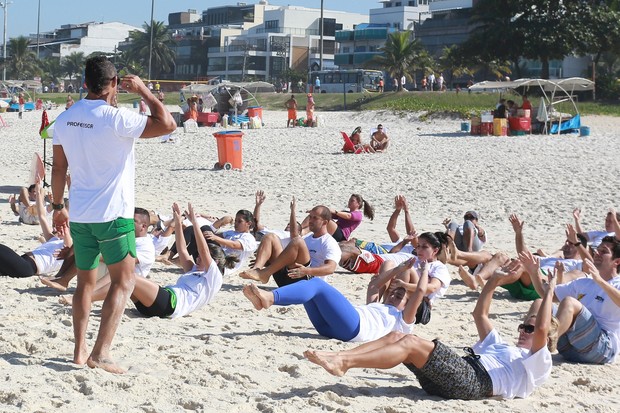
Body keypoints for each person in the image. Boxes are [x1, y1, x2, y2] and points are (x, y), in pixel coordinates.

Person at [50, 56, 176, 374]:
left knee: (85, 285)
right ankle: (100, 354)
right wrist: (146, 92)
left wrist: (56, 207)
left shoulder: (65, 118)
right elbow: (168, 124)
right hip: (113, 216)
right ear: (114, 84)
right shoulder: (117, 118)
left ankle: (79, 353)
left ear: (83, 83)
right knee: (124, 281)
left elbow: (60, 168)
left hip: (80, 214)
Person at [304, 262, 556, 400]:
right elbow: (480, 314)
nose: (524, 330)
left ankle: (344, 362)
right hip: (455, 376)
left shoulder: (539, 361)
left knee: (410, 341)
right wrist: (493, 281)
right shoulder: (503, 346)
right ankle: (341, 356)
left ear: (547, 338)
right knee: (396, 336)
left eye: (529, 328)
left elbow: (544, 327)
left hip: (474, 382)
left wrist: (548, 290)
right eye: (523, 325)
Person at [243, 256, 428, 342]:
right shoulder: (377, 306)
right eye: (396, 291)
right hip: (329, 328)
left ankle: (269, 298)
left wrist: (425, 268)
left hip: (355, 328)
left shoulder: (403, 321)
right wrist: (398, 269)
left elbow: (420, 291)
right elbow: (374, 285)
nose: (396, 293)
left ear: (409, 307)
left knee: (317, 285)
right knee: (308, 287)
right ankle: (267, 298)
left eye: (401, 296)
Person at [521, 235, 620, 364]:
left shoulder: (617, 283)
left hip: (602, 348)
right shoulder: (585, 282)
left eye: (604, 251)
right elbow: (547, 294)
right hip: (570, 348)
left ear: (617, 261)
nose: (597, 253)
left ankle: (544, 343)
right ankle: (526, 345)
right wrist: (533, 273)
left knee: (569, 302)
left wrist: (600, 281)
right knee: (540, 303)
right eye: (597, 249)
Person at [41, 207, 156, 293]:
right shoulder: (126, 237)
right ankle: (61, 277)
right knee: (81, 242)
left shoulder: (147, 246)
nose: (128, 223)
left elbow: (125, 262)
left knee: (88, 251)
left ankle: (64, 279)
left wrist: (89, 252)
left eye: (133, 221)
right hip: (107, 271)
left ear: (144, 226)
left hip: (120, 278)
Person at [240, 199, 341, 287]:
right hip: (287, 278)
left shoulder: (329, 242)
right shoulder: (308, 238)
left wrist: (306, 271)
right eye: (310, 217)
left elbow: (330, 268)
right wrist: (268, 261)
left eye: (315, 218)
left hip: (307, 281)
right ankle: (257, 269)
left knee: (297, 240)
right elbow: (288, 257)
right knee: (269, 236)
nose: (310, 220)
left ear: (325, 222)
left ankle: (265, 273)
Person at [1, 182, 71, 277]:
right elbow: (42, 216)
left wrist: (65, 229)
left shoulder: (69, 246)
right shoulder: (53, 239)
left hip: (27, 267)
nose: (60, 227)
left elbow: (69, 236)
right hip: (21, 262)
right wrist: (38, 193)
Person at [301, 194, 374, 242]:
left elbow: (349, 216)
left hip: (341, 235)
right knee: (316, 217)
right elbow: (330, 214)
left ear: (358, 204)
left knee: (321, 218)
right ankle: (301, 231)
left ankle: (300, 229)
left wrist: (335, 212)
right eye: (349, 200)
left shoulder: (358, 214)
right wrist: (316, 212)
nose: (349, 202)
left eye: (352, 201)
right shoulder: (345, 212)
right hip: (335, 231)